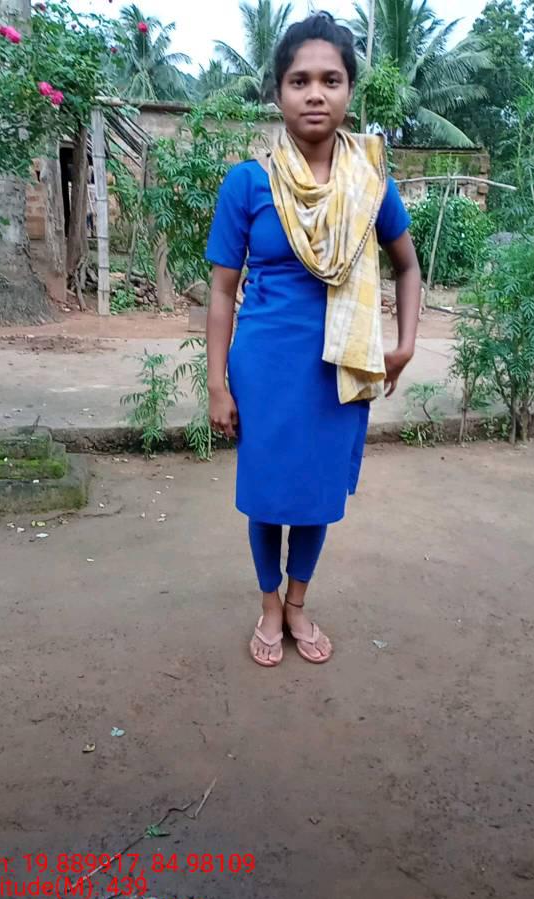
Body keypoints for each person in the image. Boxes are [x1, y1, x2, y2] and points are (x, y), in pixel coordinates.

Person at [205, 12, 421, 667]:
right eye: (299, 81)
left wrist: (405, 344)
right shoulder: (248, 183)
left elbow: (408, 266)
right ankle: (269, 604)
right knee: (269, 493)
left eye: (331, 79)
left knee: (317, 494)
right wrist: (217, 384)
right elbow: (222, 292)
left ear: (350, 89)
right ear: (278, 93)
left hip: (339, 368)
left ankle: (298, 602)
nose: (316, 94)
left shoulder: (369, 184)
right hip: (265, 368)